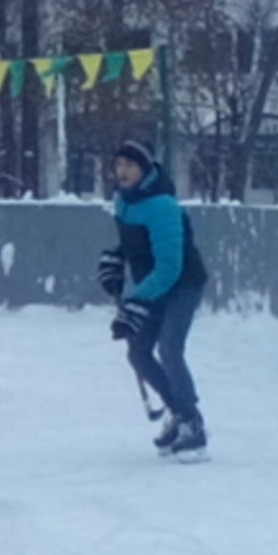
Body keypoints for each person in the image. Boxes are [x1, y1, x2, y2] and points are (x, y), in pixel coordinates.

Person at [98, 141, 210, 461]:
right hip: (154, 283)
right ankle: (176, 412)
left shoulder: (162, 206)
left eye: (130, 166)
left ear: (145, 170)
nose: (123, 171)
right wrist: (115, 260)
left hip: (182, 283)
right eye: (119, 165)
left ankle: (193, 423)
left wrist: (136, 300)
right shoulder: (123, 202)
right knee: (139, 352)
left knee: (170, 348)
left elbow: (170, 265)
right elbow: (133, 242)